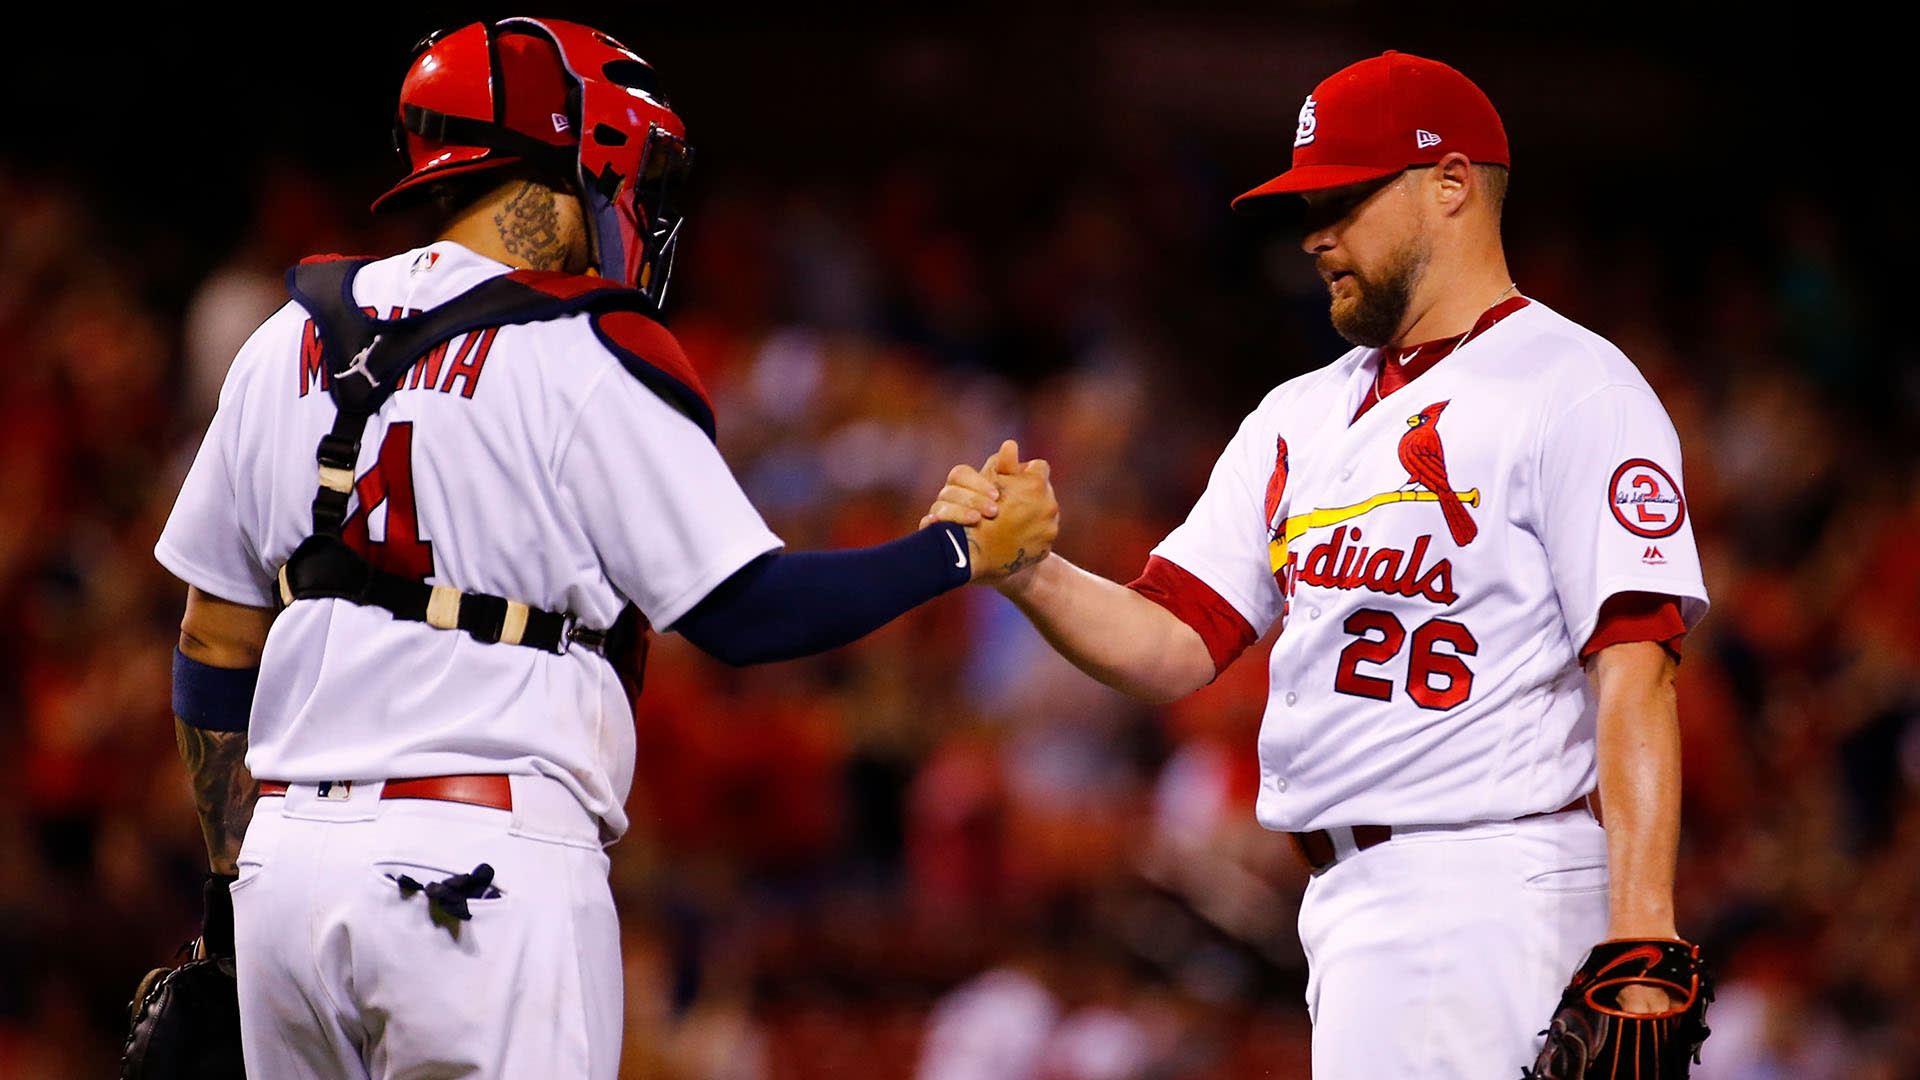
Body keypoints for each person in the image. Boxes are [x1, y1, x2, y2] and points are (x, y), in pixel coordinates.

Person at [153, 17, 1056, 1079]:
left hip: (283, 876)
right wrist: (958, 553)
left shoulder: (284, 337)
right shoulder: (584, 346)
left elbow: (213, 640)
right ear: (589, 152)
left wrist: (229, 886)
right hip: (477, 866)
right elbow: (747, 613)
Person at [928, 50, 1709, 1078]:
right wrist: (1032, 572)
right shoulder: (1297, 413)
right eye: (1310, 204)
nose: (1316, 234)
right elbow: (1175, 642)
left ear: (1451, 186)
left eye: (1345, 198)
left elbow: (1637, 663)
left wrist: (1643, 934)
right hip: (1352, 904)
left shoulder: (1574, 388)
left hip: (1487, 881)